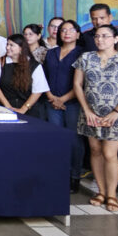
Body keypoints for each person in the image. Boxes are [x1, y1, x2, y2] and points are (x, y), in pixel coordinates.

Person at [73, 24, 118, 212]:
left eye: (105, 36)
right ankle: (100, 191)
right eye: (97, 36)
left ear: (115, 39)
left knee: (110, 154)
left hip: (115, 115)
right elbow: (78, 85)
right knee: (94, 151)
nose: (100, 39)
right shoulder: (86, 58)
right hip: (90, 113)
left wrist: (116, 112)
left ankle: (111, 194)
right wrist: (86, 110)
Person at [43, 19, 84, 193]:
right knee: (56, 139)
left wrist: (63, 99)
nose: (66, 33)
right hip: (52, 102)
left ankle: (74, 177)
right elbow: (43, 77)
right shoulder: (52, 53)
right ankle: (57, 174)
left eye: (70, 30)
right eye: (63, 30)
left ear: (77, 34)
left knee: (74, 140)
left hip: (73, 103)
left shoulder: (83, 54)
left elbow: (82, 82)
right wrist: (52, 97)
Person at [0, 34, 49, 120]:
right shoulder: (1, 62)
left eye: (11, 45)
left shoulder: (34, 65)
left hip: (30, 111)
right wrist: (8, 106)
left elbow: (38, 90)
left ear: (21, 48)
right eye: (7, 44)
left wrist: (24, 109)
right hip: (5, 110)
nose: (7, 47)